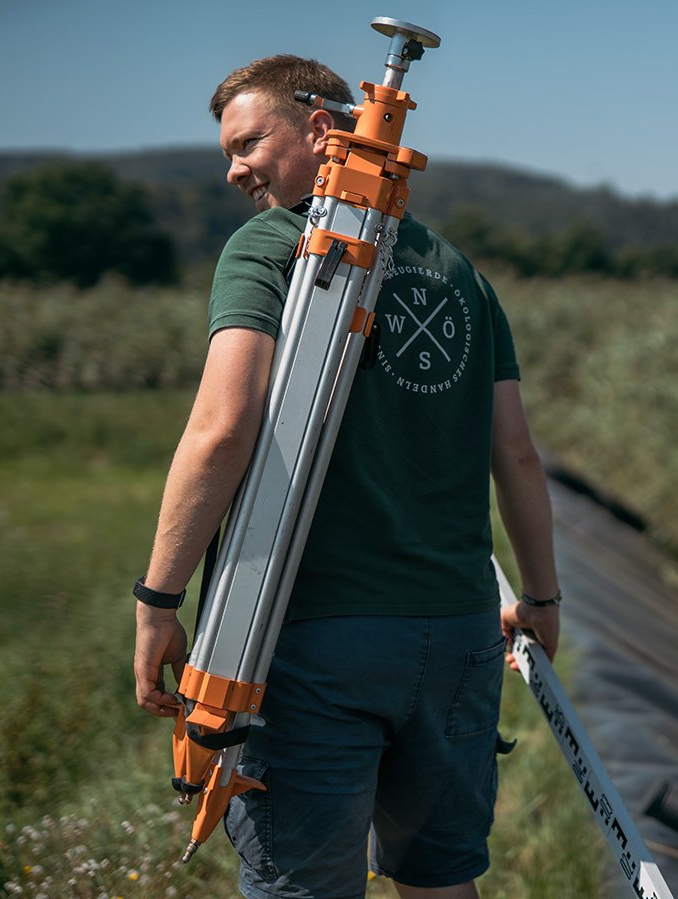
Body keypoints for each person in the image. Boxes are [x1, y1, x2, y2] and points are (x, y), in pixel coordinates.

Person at [132, 54, 561, 899]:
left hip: (317, 641)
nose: (234, 169)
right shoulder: (460, 272)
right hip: (457, 639)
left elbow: (221, 430)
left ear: (322, 129)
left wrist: (157, 602)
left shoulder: (271, 245)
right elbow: (514, 453)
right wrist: (540, 601)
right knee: (440, 882)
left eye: (250, 141)